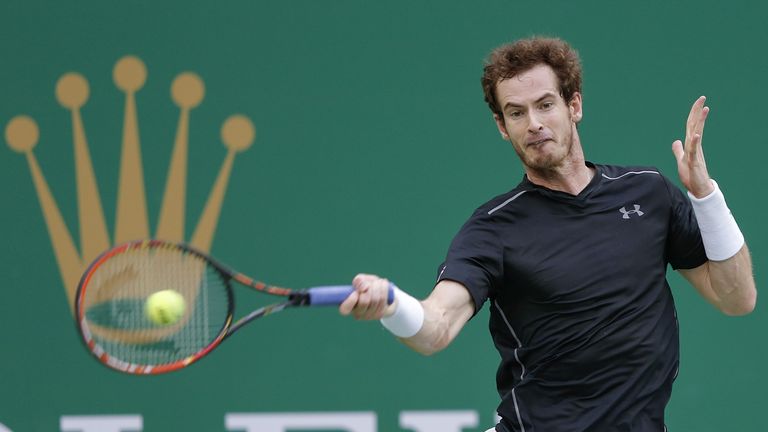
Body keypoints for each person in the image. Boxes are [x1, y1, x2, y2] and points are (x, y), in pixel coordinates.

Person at [339, 37, 756, 431]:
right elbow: (437, 326)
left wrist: (705, 196)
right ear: (502, 126)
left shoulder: (648, 192)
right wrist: (392, 305)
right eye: (517, 113)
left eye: (545, 105)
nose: (534, 123)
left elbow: (736, 297)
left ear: (574, 106)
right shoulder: (493, 228)